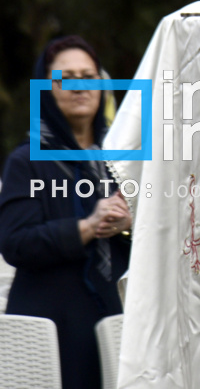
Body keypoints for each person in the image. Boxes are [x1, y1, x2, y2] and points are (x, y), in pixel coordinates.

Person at [0, 35, 131, 389]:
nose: (78, 86)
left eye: (88, 76)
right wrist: (87, 226)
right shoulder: (25, 161)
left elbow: (166, 236)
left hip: (122, 319)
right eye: (65, 77)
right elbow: (16, 243)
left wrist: (132, 222)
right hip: (50, 328)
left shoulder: (123, 157)